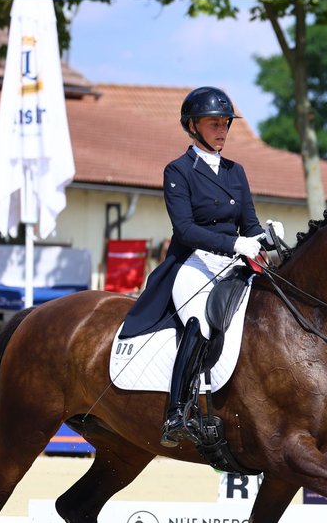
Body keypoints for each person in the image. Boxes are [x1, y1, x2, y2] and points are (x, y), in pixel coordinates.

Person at [117, 86, 283, 447]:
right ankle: (177, 411)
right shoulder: (178, 170)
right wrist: (235, 243)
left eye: (225, 123)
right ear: (192, 126)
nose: (222, 130)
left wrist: (265, 236)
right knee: (200, 320)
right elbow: (186, 230)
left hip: (234, 265)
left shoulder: (235, 171)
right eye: (214, 124)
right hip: (193, 264)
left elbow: (249, 224)